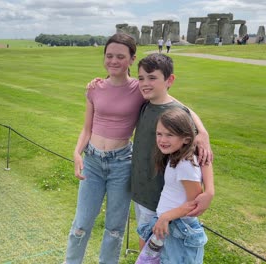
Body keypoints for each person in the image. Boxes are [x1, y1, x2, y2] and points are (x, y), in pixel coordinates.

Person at [65, 33, 145, 264]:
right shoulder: (95, 88)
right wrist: (76, 152)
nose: (113, 61)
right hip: (93, 162)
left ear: (132, 59)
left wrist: (202, 132)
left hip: (122, 164)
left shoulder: (140, 89)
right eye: (109, 56)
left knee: (115, 229)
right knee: (81, 223)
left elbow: (172, 103)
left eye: (120, 56)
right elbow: (86, 129)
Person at [132, 53, 214, 250]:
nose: (145, 83)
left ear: (170, 80)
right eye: (141, 78)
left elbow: (201, 155)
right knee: (146, 249)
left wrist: (210, 190)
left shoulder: (177, 115)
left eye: (152, 78)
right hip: (142, 191)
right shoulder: (145, 104)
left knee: (160, 252)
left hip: (163, 202)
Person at [136, 108, 210, 263]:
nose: (162, 139)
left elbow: (195, 204)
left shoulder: (185, 165)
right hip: (167, 225)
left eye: (170, 135)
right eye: (159, 134)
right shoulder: (176, 157)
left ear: (186, 139)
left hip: (178, 230)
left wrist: (166, 216)